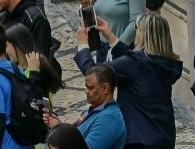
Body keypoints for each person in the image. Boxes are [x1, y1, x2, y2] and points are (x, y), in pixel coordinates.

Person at [73, 12, 183, 149]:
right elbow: (133, 61)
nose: (135, 31)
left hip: (138, 140)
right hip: (164, 137)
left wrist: (83, 44)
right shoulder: (166, 64)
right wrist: (111, 37)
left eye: (137, 28)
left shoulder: (137, 63)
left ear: (144, 34)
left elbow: (94, 74)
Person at [73, 66, 126, 149]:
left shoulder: (109, 118)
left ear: (105, 88)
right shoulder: (88, 112)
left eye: (90, 88)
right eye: (86, 87)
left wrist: (61, 135)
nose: (86, 91)